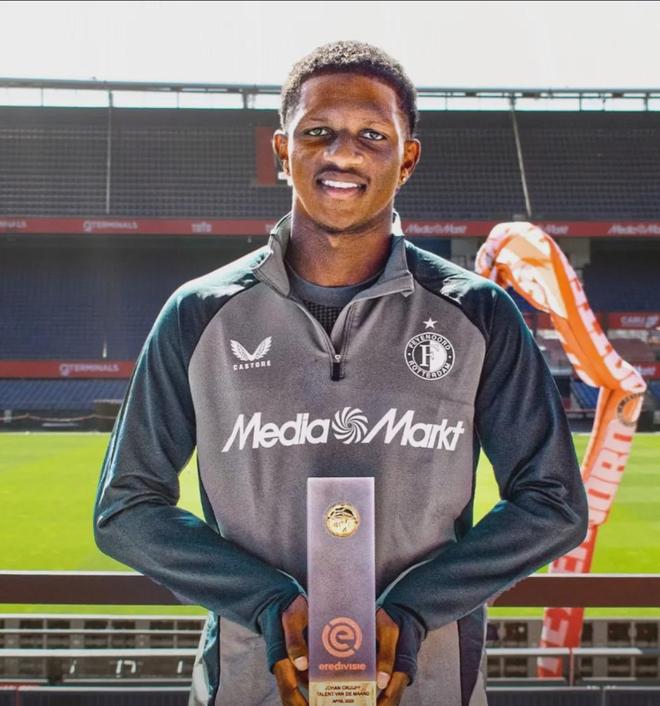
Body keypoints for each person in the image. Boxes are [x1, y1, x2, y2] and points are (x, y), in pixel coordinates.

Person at [93, 40, 589, 706]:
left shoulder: (478, 314)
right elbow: (125, 509)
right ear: (282, 151)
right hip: (251, 685)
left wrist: (412, 608)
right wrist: (268, 603)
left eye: (373, 136)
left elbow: (554, 502)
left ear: (407, 159)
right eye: (318, 132)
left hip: (428, 686)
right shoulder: (198, 313)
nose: (344, 154)